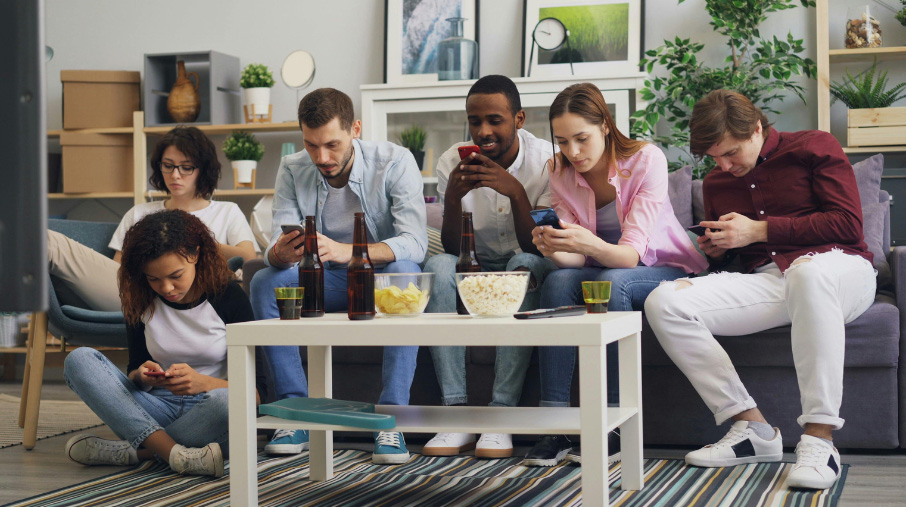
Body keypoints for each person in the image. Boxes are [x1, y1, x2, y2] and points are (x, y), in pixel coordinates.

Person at [644, 90, 875, 490]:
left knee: (807, 273)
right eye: (714, 158)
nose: (723, 165)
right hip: (772, 280)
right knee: (664, 301)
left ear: (756, 128)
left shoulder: (814, 145)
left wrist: (760, 229)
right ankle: (752, 429)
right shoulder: (718, 182)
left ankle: (821, 441)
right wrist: (717, 252)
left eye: (730, 152)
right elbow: (740, 257)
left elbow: (847, 225)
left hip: (841, 268)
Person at [524, 83, 707, 467]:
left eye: (581, 139)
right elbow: (576, 264)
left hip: (659, 266)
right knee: (557, 280)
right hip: (600, 266)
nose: (572, 152)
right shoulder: (558, 171)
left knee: (612, 281)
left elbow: (628, 256)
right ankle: (555, 424)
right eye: (561, 142)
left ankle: (611, 426)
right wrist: (555, 247)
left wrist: (584, 243)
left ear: (605, 126)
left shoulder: (646, 160)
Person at [250, 88, 427, 465]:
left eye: (331, 144)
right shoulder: (292, 168)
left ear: (355, 129)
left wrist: (351, 253)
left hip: (378, 282)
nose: (322, 157)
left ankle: (389, 420)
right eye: (311, 145)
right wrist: (277, 253)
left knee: (404, 273)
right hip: (322, 281)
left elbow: (415, 242)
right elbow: (281, 243)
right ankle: (294, 414)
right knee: (265, 280)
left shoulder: (395, 161)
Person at [421, 75, 556, 459]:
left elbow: (540, 246)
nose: (483, 132)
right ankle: (456, 413)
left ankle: (500, 415)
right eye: (474, 120)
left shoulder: (546, 161)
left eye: (494, 120)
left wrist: (513, 190)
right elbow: (451, 248)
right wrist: (450, 199)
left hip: (528, 257)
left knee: (524, 263)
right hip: (473, 264)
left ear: (519, 119)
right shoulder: (452, 161)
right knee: (440, 265)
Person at [63, 209, 255, 477]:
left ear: (196, 254)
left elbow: (258, 394)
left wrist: (206, 383)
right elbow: (134, 369)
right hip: (153, 409)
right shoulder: (141, 298)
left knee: (227, 402)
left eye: (176, 275)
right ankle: (177, 455)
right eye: (154, 279)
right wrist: (142, 377)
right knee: (79, 359)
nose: (166, 288)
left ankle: (138, 452)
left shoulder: (228, 296)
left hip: (209, 412)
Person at [47, 126, 258, 312]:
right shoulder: (139, 212)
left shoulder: (227, 211)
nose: (175, 175)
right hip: (139, 294)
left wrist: (194, 238)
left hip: (194, 299)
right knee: (47, 241)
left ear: (203, 170)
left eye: (186, 167)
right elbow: (120, 271)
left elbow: (248, 259)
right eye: (168, 165)